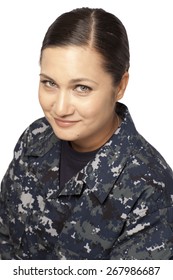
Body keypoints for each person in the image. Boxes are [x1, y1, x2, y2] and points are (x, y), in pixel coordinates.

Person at [0, 7, 173, 260]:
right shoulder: (35, 137)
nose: (59, 108)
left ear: (120, 85)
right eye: (49, 83)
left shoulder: (151, 191)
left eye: (81, 88)